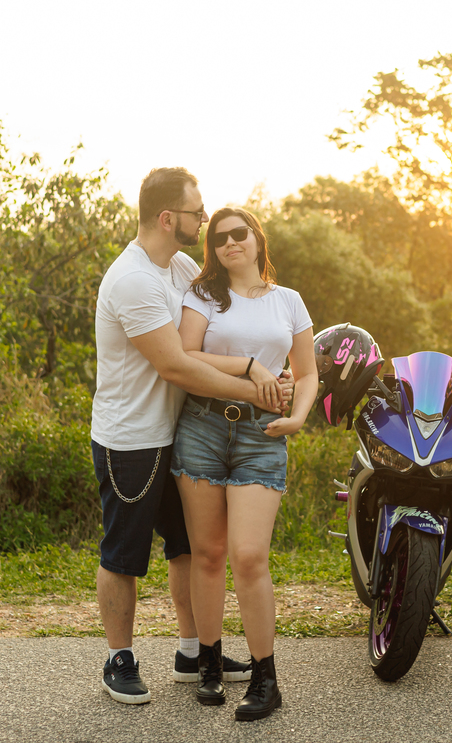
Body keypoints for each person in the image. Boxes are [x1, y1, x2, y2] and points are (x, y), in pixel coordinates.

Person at [91, 168, 291, 705]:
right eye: (196, 213)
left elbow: (225, 323)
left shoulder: (179, 266)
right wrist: (253, 386)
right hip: (131, 438)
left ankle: (190, 651)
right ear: (166, 218)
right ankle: (119, 657)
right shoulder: (132, 280)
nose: (204, 221)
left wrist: (276, 370)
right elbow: (176, 366)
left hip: (179, 433)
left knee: (187, 549)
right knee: (123, 554)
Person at [171, 207, 319, 721]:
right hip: (203, 429)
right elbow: (187, 355)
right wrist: (250, 365)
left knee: (250, 556)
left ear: (257, 239)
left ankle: (265, 678)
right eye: (220, 238)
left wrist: (298, 418)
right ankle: (209, 665)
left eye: (240, 234)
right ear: (212, 248)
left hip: (263, 435)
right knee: (208, 554)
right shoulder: (203, 295)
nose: (231, 243)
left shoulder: (289, 302)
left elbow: (305, 374)